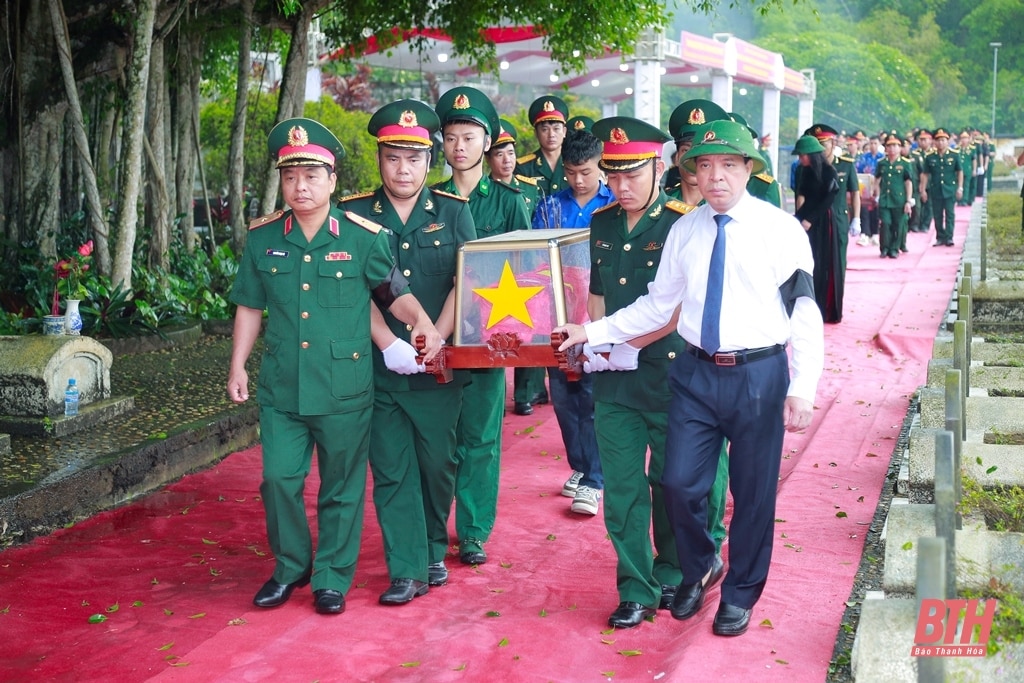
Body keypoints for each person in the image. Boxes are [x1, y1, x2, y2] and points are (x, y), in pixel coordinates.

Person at [555, 119, 824, 637]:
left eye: (727, 165)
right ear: (692, 173)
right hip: (696, 373)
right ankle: (703, 563)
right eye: (704, 166)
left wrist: (802, 386)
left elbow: (805, 310)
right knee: (678, 483)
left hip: (758, 374)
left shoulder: (779, 229)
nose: (715, 177)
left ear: (749, 169)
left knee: (752, 492)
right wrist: (592, 331)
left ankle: (740, 595)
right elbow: (658, 306)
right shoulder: (686, 229)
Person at [227, 117, 442, 616]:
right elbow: (249, 307)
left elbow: (394, 294)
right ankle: (290, 567)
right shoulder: (262, 240)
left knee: (341, 488)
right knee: (278, 479)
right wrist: (237, 366)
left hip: (344, 388)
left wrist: (423, 323)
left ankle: (331, 577)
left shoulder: (363, 237)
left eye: (311, 176)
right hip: (282, 387)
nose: (300, 187)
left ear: (332, 181)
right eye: (290, 177)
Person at [339, 100, 477, 605]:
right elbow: (354, 289)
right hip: (378, 366)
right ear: (379, 159)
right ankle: (408, 569)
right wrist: (392, 343)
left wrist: (435, 335)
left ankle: (434, 546)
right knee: (392, 467)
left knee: (438, 464)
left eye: (414, 159)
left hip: (439, 368)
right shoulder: (352, 215)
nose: (403, 169)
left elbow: (467, 282)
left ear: (429, 161)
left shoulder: (454, 212)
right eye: (394, 157)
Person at [579, 115, 693, 629]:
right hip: (615, 380)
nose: (620, 186)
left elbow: (675, 308)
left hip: (669, 374)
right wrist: (594, 337)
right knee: (623, 489)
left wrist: (620, 342)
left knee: (672, 483)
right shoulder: (602, 223)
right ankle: (636, 588)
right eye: (613, 174)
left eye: (631, 174)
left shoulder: (681, 222)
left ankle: (674, 570)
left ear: (656, 166)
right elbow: (599, 292)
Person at [432, 87, 531, 566]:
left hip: (491, 336)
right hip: (438, 333)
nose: (459, 147)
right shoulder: (429, 200)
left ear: (487, 141)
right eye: (451, 138)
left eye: (469, 137)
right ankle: (433, 523)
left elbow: (527, 267)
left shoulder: (509, 202)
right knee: (437, 436)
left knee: (481, 436)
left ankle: (472, 530)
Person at [532, 128, 613, 516]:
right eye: (570, 172)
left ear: (600, 165)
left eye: (585, 171)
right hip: (557, 315)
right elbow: (531, 258)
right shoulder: (549, 206)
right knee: (564, 398)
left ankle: (596, 479)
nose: (578, 180)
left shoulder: (614, 203)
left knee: (594, 397)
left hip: (599, 314)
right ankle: (581, 467)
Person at [512, 96, 571, 415]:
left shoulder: (574, 164)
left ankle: (565, 379)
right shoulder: (523, 167)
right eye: (545, 126)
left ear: (565, 130)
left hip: (569, 253)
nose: (550, 133)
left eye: (556, 126)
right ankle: (528, 390)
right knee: (530, 316)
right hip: (534, 254)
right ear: (536, 131)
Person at [803, 123, 860, 286]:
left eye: (824, 143)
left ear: (833, 144)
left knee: (838, 262)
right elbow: (801, 196)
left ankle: (835, 304)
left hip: (839, 219)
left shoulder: (846, 164)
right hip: (815, 220)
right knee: (815, 260)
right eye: (817, 144)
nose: (820, 148)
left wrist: (856, 218)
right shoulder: (808, 168)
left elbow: (854, 192)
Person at [794, 134, 842, 322]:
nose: (800, 159)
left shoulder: (829, 172)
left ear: (811, 155)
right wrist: (798, 219)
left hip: (822, 220)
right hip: (806, 218)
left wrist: (810, 219)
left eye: (802, 155)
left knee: (821, 262)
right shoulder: (803, 171)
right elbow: (803, 197)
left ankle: (823, 307)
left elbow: (827, 200)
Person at [920, 128, 964, 247]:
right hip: (936, 189)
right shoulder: (930, 157)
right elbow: (925, 174)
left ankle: (949, 237)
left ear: (948, 141)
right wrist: (923, 189)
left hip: (950, 189)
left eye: (943, 140)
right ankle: (940, 237)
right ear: (934, 142)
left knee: (950, 214)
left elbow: (959, 171)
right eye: (938, 140)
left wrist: (960, 188)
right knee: (937, 215)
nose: (941, 143)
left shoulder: (954, 155)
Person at [873, 133, 914, 259]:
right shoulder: (882, 163)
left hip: (899, 200)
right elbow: (877, 180)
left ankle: (894, 248)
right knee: (885, 223)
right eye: (889, 146)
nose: (892, 148)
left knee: (899, 225)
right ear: (885, 148)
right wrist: (877, 195)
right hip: (885, 199)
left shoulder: (905, 163)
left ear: (900, 148)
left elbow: (908, 183)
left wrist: (908, 201)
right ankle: (884, 247)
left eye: (895, 146)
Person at [912, 129, 935, 233]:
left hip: (932, 183)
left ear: (930, 140)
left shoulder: (934, 153)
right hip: (918, 183)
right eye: (920, 139)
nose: (922, 142)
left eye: (925, 139)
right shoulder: (915, 154)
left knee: (929, 205)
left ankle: (926, 224)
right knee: (918, 206)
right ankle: (916, 224)